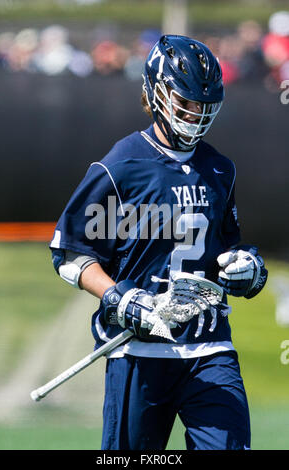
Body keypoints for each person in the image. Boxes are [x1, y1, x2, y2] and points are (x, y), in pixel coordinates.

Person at [50, 35, 268, 450]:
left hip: (210, 347)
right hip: (139, 351)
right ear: (155, 92)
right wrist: (120, 297)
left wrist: (249, 269)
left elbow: (229, 248)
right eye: (186, 102)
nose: (195, 114)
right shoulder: (122, 164)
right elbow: (70, 253)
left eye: (204, 105)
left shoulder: (219, 168)